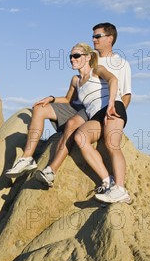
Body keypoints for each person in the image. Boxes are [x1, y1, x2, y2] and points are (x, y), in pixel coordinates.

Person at [35, 23, 132, 195]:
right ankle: (106, 181)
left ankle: (120, 189)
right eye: (93, 36)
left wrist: (115, 113)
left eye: (97, 36)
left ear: (110, 39)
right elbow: (73, 96)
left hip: (110, 107)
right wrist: (50, 99)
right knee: (79, 136)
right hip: (90, 111)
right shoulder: (89, 59)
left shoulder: (120, 63)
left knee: (111, 144)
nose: (93, 39)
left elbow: (124, 92)